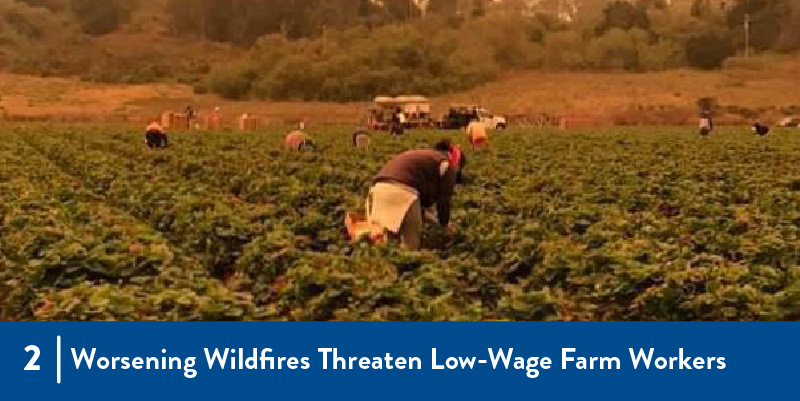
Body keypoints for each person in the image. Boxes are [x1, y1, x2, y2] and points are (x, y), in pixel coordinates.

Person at [365, 139, 466, 251]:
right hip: (402, 192)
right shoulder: (447, 165)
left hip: (379, 189)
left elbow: (418, 208)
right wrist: (444, 226)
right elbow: (444, 202)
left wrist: (435, 222)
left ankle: (386, 265)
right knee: (411, 244)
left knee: (389, 243)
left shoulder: (427, 158)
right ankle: (407, 266)